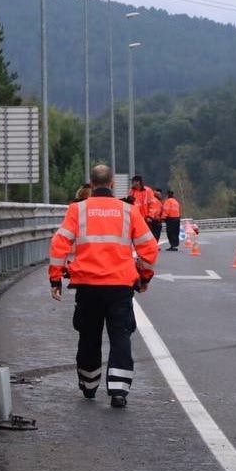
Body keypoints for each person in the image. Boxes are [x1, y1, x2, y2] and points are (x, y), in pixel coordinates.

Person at [49, 163, 159, 408]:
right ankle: (118, 391)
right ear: (111, 184)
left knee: (89, 335)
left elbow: (59, 244)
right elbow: (149, 248)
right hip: (119, 286)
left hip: (87, 285)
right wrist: (145, 276)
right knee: (120, 335)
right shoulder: (129, 211)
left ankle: (89, 386)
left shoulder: (77, 210)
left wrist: (55, 277)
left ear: (91, 184)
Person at [131, 175, 163, 242]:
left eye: (133, 182)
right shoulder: (132, 192)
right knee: (138, 238)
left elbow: (153, 205)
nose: (132, 183)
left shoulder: (148, 191)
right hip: (136, 219)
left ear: (138, 182)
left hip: (147, 219)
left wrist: (150, 216)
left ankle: (149, 249)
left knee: (148, 237)